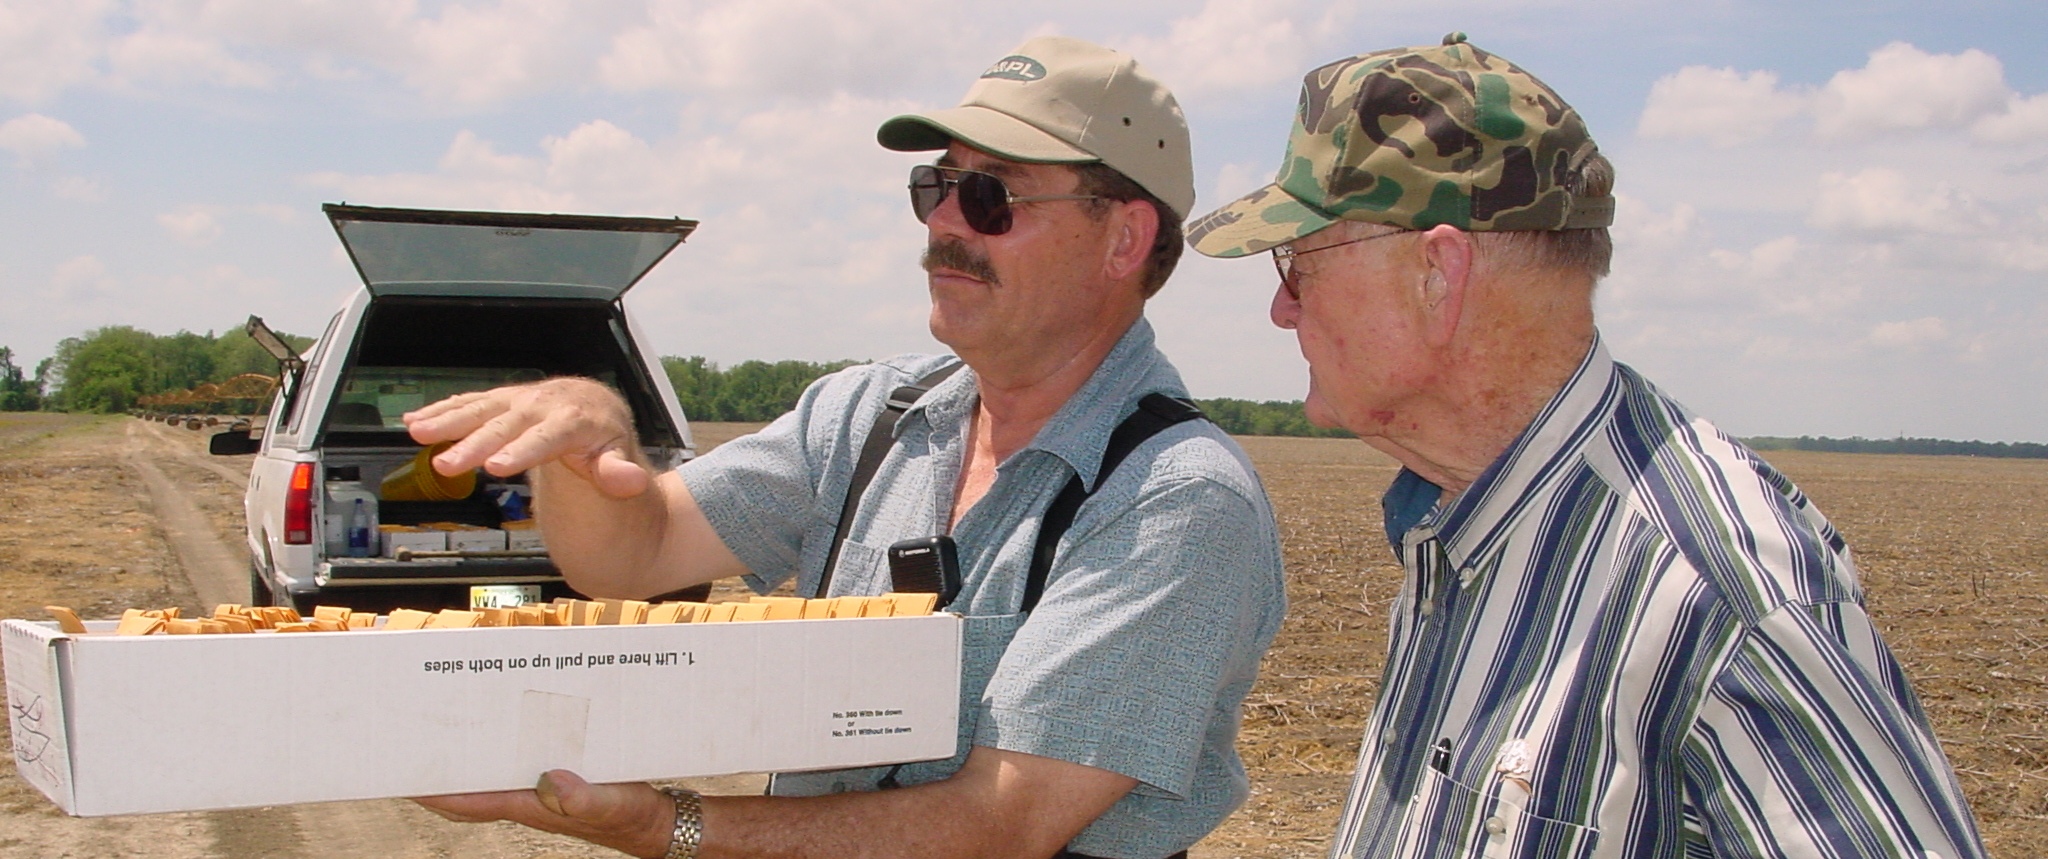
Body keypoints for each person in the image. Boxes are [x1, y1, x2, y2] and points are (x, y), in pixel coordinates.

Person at [405, 36, 1285, 859]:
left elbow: (1001, 821)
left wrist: (665, 825)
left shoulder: (1175, 499)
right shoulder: (865, 415)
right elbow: (634, 552)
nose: (945, 223)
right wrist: (584, 438)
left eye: (992, 196)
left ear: (1124, 238)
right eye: (935, 186)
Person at [1188, 33, 1987, 859]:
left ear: (1438, 275)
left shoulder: (1716, 591)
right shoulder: (1459, 525)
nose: (1283, 310)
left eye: (1297, 263)